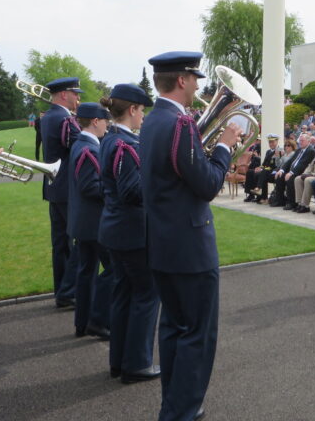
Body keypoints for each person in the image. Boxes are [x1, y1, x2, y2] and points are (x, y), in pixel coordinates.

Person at [140, 52, 242, 421]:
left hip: (163, 242)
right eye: (195, 78)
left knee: (173, 328)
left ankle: (174, 402)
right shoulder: (181, 124)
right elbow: (208, 184)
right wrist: (226, 145)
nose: (200, 86)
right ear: (181, 80)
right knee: (197, 335)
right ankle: (181, 410)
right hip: (189, 246)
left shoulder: (153, 120)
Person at [99, 84, 161, 384]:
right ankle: (136, 363)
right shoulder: (125, 144)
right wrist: (160, 183)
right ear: (133, 110)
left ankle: (119, 361)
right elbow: (131, 192)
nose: (143, 117)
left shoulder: (112, 140)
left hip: (117, 230)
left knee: (124, 294)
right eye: (142, 111)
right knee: (146, 295)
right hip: (132, 233)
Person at [68, 102, 113, 340]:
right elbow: (90, 187)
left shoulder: (82, 144)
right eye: (105, 120)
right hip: (95, 223)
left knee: (86, 272)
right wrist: (114, 188)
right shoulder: (89, 148)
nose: (107, 124)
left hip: (85, 222)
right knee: (114, 269)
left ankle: (83, 322)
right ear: (95, 121)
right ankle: (98, 320)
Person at [41, 78, 83, 308]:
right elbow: (80, 145)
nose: (78, 98)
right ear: (64, 95)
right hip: (67, 187)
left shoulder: (48, 116)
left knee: (60, 243)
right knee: (79, 241)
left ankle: (62, 291)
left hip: (54, 186)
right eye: (75, 94)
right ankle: (69, 291)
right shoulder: (65, 118)